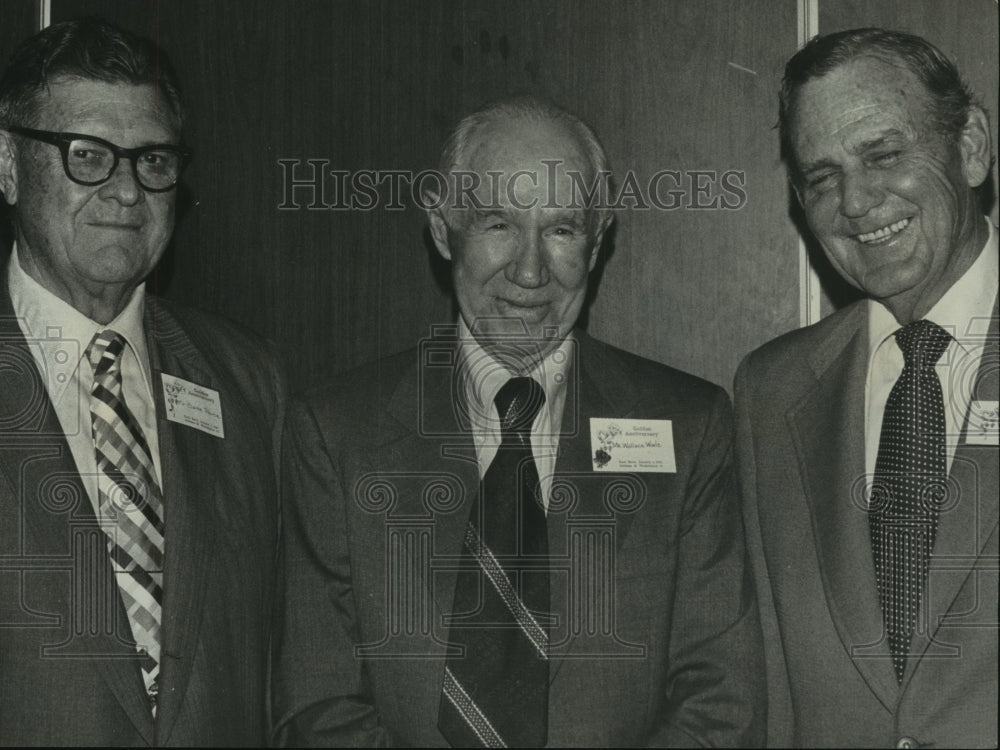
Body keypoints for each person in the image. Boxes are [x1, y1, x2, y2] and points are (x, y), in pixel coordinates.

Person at [273, 95, 763, 747]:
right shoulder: (335, 432)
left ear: (598, 240)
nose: (530, 271)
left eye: (561, 229)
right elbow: (317, 699)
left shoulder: (691, 427)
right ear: (444, 228)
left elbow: (721, 699)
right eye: (499, 223)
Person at [0, 18, 286, 745]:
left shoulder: (249, 383)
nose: (127, 191)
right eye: (88, 156)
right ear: (7, 164)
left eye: (153, 160)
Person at [735, 27, 998, 748]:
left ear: (971, 146)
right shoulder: (771, 391)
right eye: (821, 177)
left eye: (883, 155)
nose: (854, 201)